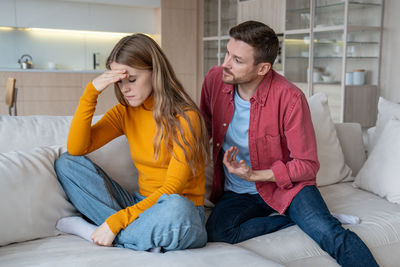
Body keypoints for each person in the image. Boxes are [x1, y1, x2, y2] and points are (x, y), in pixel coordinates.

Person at [200, 21, 378, 267]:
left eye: (237, 60)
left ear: (263, 68)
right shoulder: (214, 80)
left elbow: (307, 165)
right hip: (237, 191)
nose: (226, 64)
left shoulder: (290, 98)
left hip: (285, 188)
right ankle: (294, 220)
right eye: (227, 53)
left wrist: (255, 174)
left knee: (329, 234)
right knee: (217, 233)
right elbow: (204, 127)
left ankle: (314, 219)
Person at [54, 33, 209, 252]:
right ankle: (140, 236)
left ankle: (97, 232)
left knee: (178, 207)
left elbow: (172, 188)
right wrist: (91, 92)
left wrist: (116, 221)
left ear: (155, 72)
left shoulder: (185, 116)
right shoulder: (125, 112)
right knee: (67, 163)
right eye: (120, 81)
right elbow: (77, 147)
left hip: (177, 210)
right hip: (138, 205)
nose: (125, 89)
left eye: (132, 79)